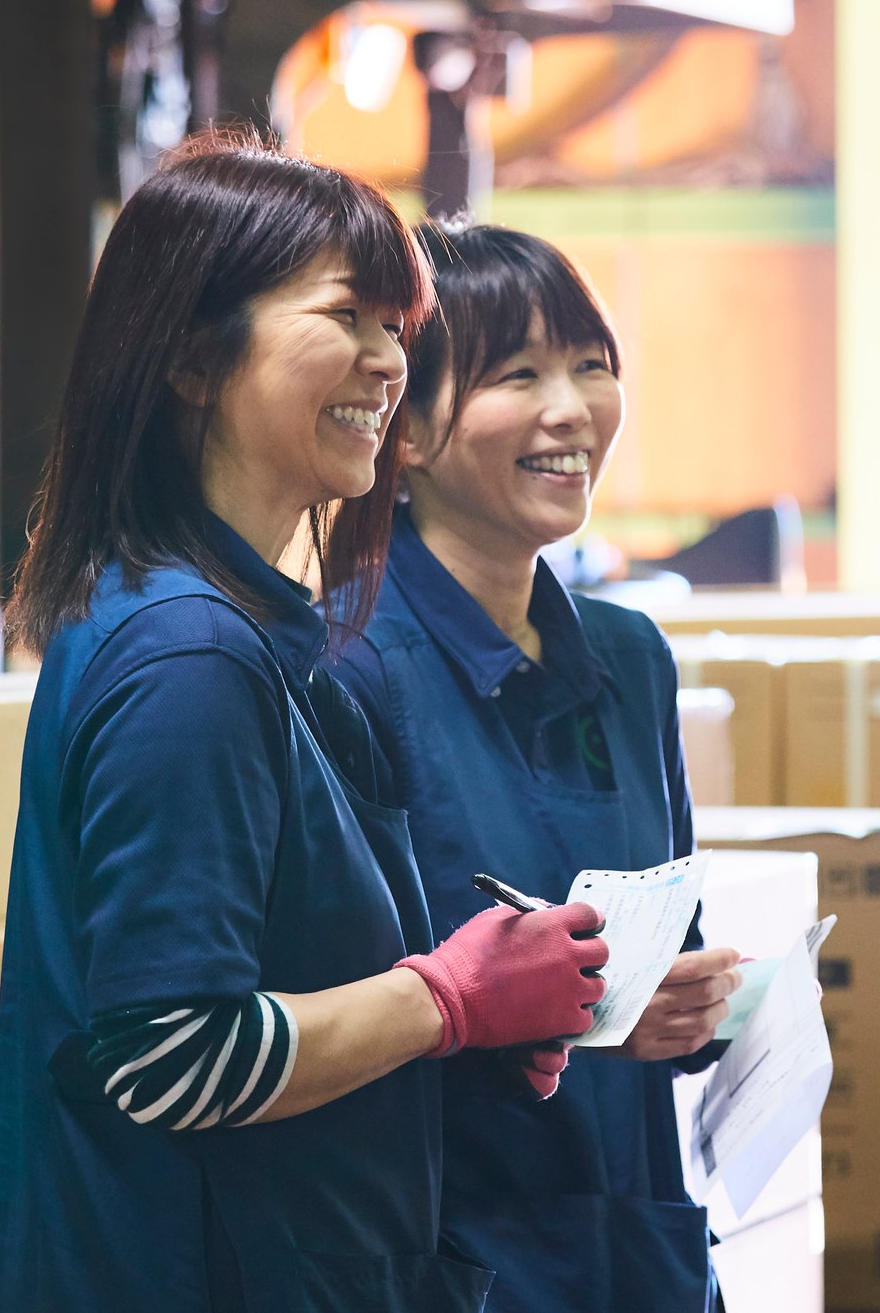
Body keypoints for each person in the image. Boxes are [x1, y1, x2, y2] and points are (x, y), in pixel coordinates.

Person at [0, 135, 611, 1313]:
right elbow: (170, 1053)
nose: (386, 365)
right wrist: (445, 996)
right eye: (346, 317)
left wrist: (464, 1034)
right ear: (192, 360)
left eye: (395, 330)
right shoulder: (188, 657)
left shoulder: (249, 630)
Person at [327, 223, 745, 1312]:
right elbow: (329, 1027)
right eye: (520, 374)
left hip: (638, 1252)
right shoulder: (342, 667)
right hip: (459, 1258)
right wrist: (561, 1014)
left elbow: (665, 939)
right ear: (404, 431)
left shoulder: (629, 658)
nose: (573, 409)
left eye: (592, 365)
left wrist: (694, 1004)